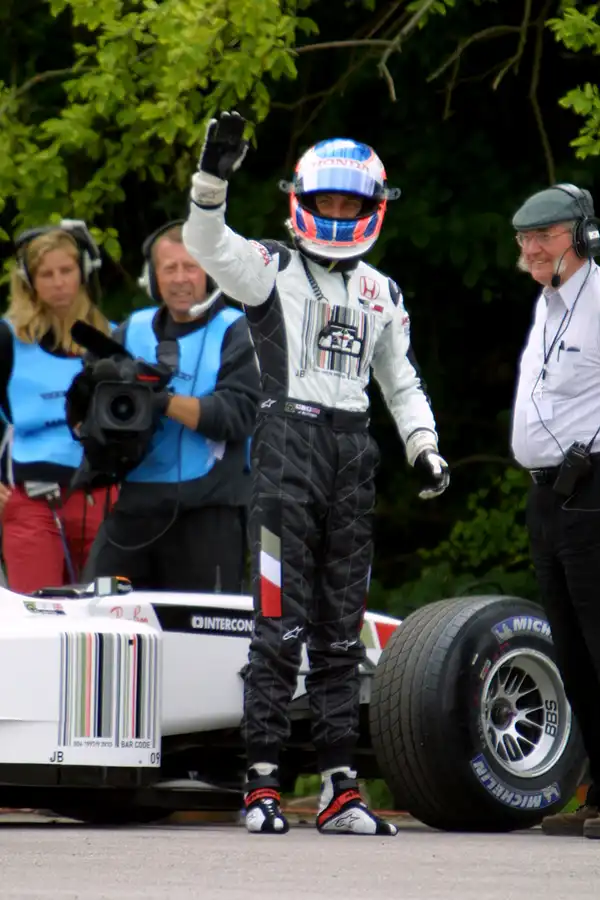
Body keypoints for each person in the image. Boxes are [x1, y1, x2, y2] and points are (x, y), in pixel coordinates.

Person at [182, 111, 450, 836]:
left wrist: (423, 444)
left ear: (372, 209)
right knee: (278, 624)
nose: (336, 215)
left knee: (341, 629)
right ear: (302, 200)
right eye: (325, 202)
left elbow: (402, 383)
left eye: (349, 205)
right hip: (285, 447)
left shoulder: (383, 294)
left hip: (352, 455)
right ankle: (263, 781)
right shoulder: (269, 265)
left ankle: (340, 785)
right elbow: (202, 242)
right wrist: (212, 177)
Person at [84, 220, 260, 593]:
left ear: (210, 274)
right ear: (154, 277)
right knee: (93, 610)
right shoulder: (132, 329)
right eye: (170, 268)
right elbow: (90, 402)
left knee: (201, 636)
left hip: (208, 510)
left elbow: (239, 414)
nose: (181, 278)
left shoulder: (236, 329)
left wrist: (160, 401)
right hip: (134, 504)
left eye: (191, 266)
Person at [509, 183, 600, 840]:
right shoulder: (547, 306)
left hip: (594, 490)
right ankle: (599, 792)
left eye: (546, 235)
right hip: (548, 495)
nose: (533, 248)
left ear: (584, 237)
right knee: (572, 651)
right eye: (525, 239)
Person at [0, 220, 116, 593]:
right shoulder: (8, 338)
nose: (58, 281)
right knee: (37, 615)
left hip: (101, 498)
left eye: (66, 270)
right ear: (29, 280)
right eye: (45, 274)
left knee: (102, 615)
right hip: (30, 500)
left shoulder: (112, 337)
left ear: (82, 271)